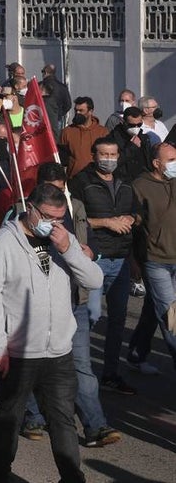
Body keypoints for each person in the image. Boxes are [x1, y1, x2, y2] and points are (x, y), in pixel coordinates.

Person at [0, 184, 103, 483]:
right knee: (9, 418)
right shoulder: (4, 242)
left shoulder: (63, 239)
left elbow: (94, 279)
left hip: (59, 351)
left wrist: (68, 249)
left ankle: (72, 477)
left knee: (62, 419)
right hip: (21, 352)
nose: (54, 224)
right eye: (48, 216)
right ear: (31, 209)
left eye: (61, 218)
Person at [71, 136, 138, 395]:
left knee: (118, 320)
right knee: (91, 316)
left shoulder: (125, 180)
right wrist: (107, 222)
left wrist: (130, 217)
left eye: (112, 154)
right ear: (93, 155)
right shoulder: (81, 182)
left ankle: (110, 373)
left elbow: (137, 211)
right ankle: (81, 375)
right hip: (95, 258)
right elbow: (76, 219)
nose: (108, 159)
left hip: (121, 258)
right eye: (103, 154)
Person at [131, 144, 176, 369]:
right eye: (171, 159)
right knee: (171, 317)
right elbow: (135, 225)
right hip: (156, 260)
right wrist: (134, 261)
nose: (175, 164)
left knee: (154, 307)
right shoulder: (141, 186)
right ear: (157, 164)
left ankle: (137, 353)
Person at [60, 97, 107, 180]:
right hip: (74, 179)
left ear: (90, 112)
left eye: (81, 111)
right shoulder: (67, 132)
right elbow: (62, 160)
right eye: (76, 110)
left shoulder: (102, 132)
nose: (77, 113)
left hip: (96, 179)